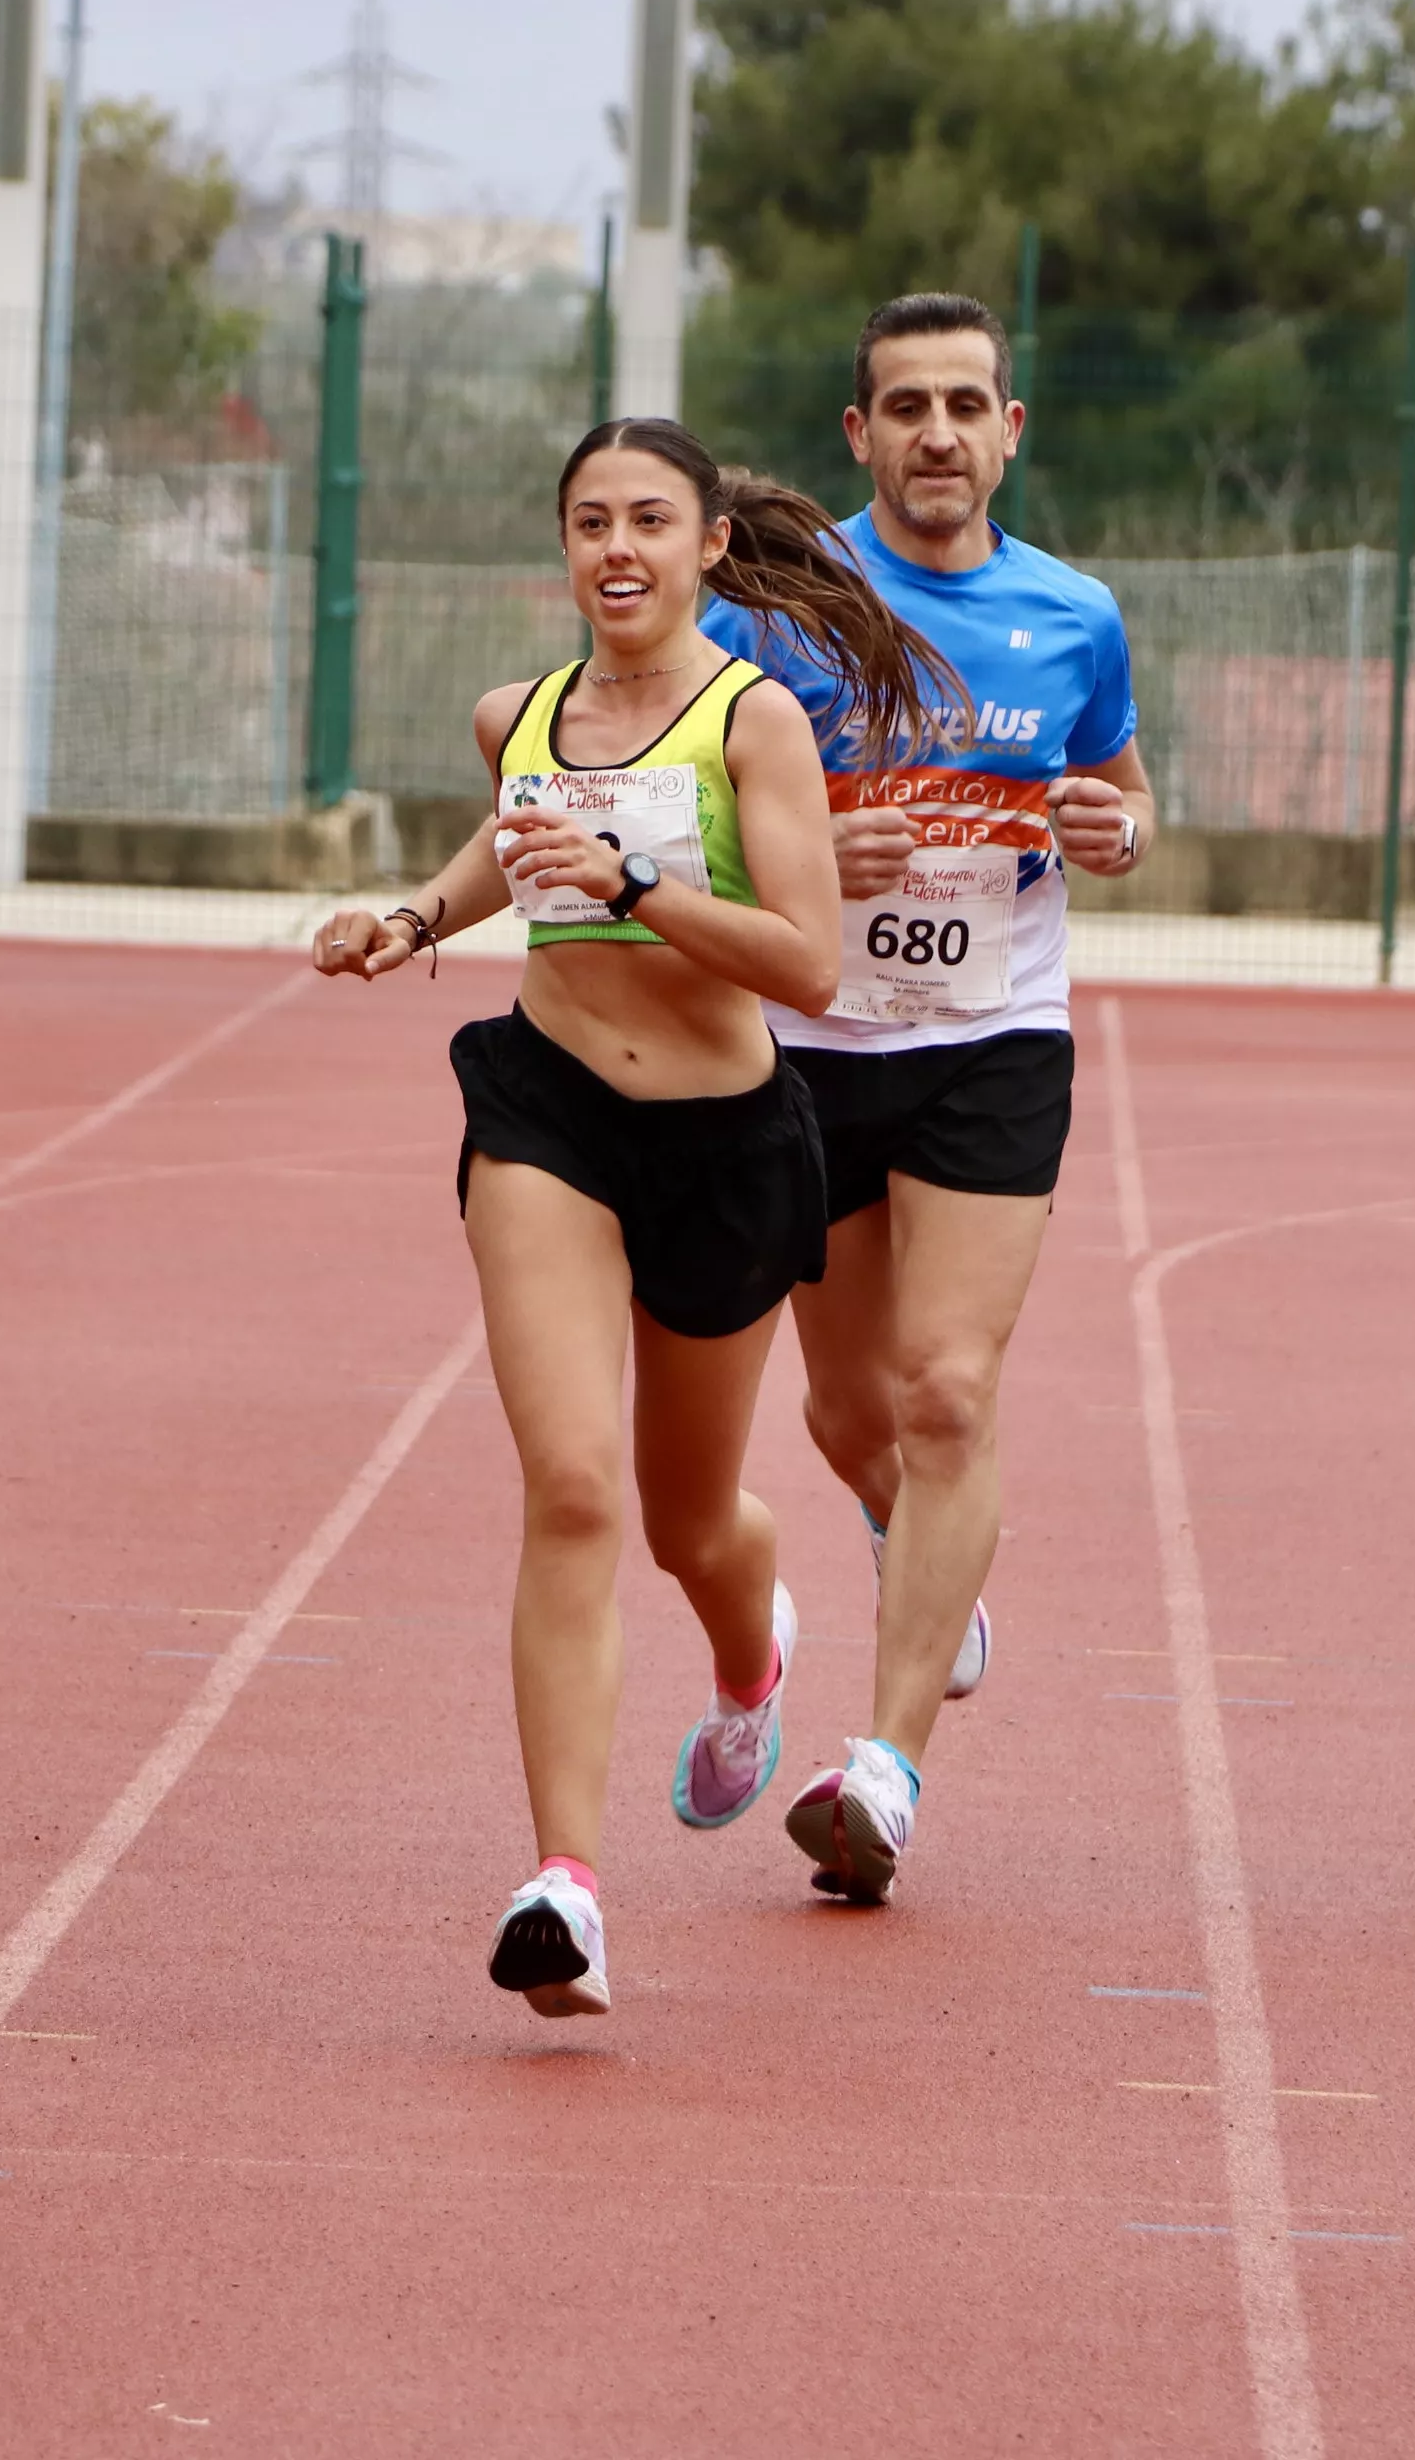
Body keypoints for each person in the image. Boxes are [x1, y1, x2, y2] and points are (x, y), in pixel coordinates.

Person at [312, 418, 959, 2014]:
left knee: (689, 1520)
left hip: (728, 1142)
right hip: (548, 1115)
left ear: (708, 547)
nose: (618, 548)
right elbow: (506, 841)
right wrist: (413, 916)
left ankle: (753, 1653)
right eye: (590, 521)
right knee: (576, 1489)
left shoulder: (755, 729)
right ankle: (567, 1886)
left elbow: (808, 962)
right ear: (563, 546)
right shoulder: (516, 714)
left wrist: (633, 885)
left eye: (649, 521)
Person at [696, 293, 1154, 1906]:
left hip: (993, 1041)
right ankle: (919, 1558)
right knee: (844, 1415)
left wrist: (1119, 831)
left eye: (969, 405)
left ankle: (882, 1771)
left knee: (947, 1389)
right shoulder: (774, 607)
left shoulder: (1074, 615)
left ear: (1012, 430)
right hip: (814, 1043)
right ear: (860, 435)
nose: (939, 435)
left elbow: (1124, 789)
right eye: (908, 407)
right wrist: (814, 838)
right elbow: (699, 807)